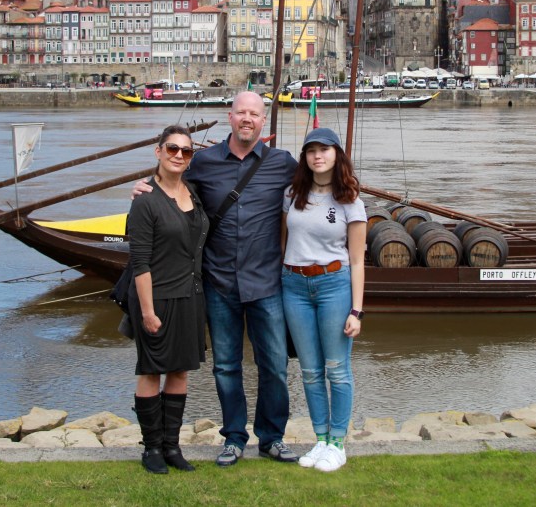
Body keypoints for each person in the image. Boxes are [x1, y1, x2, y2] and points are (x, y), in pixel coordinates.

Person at [132, 91, 299, 467]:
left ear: (263, 121)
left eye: (254, 114)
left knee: (274, 364)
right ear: (230, 116)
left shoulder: (282, 163)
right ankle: (234, 438)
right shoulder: (203, 162)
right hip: (219, 281)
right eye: (241, 112)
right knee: (225, 366)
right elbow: (170, 182)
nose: (247, 119)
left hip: (266, 282)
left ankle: (271, 438)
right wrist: (144, 186)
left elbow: (318, 184)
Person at [281, 127, 366, 473]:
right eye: (311, 150)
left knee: (337, 369)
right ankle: (320, 438)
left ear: (336, 155)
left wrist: (356, 310)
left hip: (334, 284)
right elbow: (283, 242)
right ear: (305, 157)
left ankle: (338, 443)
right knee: (310, 370)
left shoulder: (350, 200)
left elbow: (357, 260)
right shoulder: (292, 194)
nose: (318, 156)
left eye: (325, 149)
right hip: (294, 286)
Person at [127, 125, 210, 474]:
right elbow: (140, 262)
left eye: (186, 151)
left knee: (179, 371)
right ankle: (151, 449)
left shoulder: (194, 193)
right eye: (172, 148)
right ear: (158, 151)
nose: (179, 155)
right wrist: (147, 311)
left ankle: (172, 447)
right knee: (151, 371)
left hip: (191, 296)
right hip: (156, 298)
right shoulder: (145, 200)